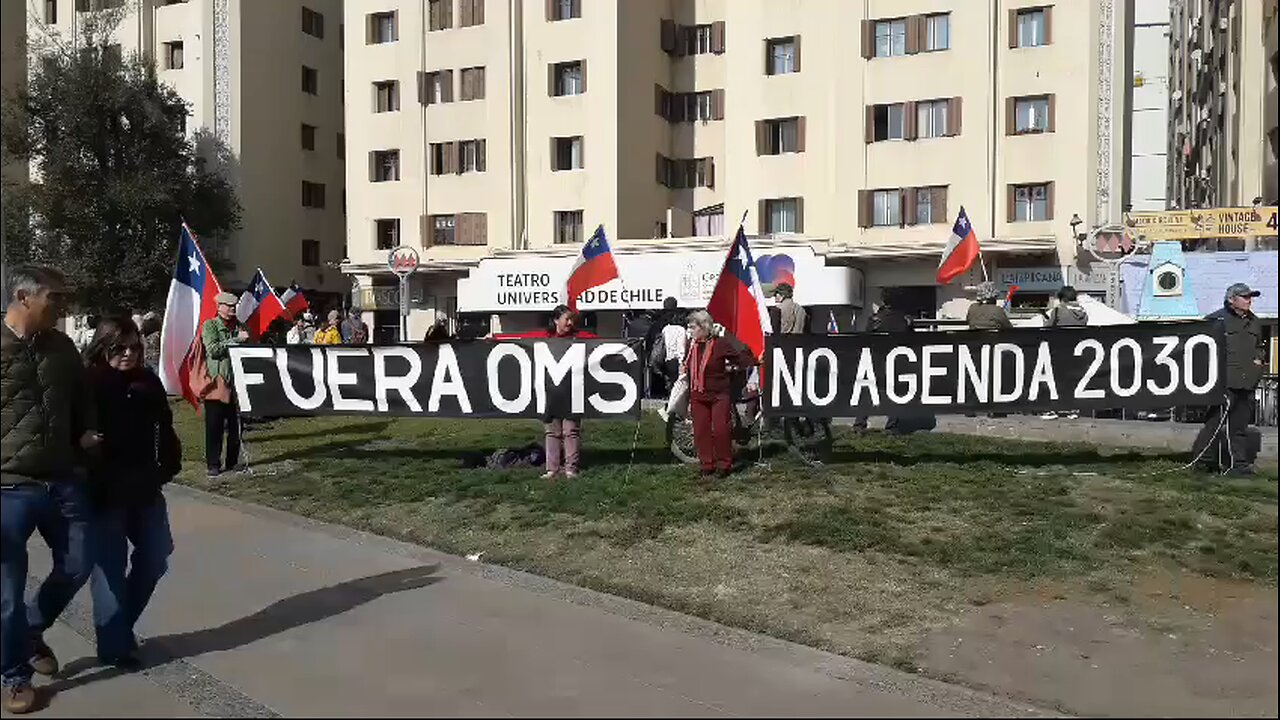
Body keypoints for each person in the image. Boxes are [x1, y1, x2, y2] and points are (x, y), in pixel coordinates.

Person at [1, 265, 100, 714]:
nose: (61, 306)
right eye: (53, 298)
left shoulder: (61, 347)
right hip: (7, 489)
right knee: (7, 591)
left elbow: (83, 399)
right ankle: (14, 676)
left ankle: (29, 632)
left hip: (61, 480)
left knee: (79, 562)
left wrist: (87, 432)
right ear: (24, 298)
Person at [82, 316, 180, 669]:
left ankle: (119, 629)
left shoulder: (148, 382)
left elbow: (165, 429)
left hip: (146, 487)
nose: (128, 354)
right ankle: (114, 645)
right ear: (102, 347)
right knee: (108, 568)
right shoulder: (88, 383)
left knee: (155, 557)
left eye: (134, 348)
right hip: (103, 491)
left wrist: (167, 464)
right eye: (119, 348)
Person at [496, 305, 597, 479]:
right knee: (552, 432)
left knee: (571, 431)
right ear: (556, 320)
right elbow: (519, 338)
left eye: (572, 319)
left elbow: (604, 342)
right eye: (567, 319)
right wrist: (495, 337)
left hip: (572, 392)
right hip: (548, 393)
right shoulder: (544, 337)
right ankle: (552, 468)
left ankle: (570, 468)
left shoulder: (579, 337)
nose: (570, 323)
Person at [1191, 283, 1267, 475]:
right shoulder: (1216, 320)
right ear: (1231, 300)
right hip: (1224, 382)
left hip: (1247, 383)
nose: (1249, 300)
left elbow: (1260, 347)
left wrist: (1259, 362)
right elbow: (1200, 347)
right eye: (1244, 297)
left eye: (1250, 297)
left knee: (1239, 427)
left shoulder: (1255, 322)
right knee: (1214, 424)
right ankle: (1204, 462)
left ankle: (1238, 465)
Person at [684, 310, 757, 481]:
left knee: (721, 430)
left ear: (704, 328)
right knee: (701, 431)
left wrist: (733, 368)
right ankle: (706, 465)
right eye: (690, 328)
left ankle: (724, 465)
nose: (691, 331)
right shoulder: (691, 346)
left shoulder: (720, 344)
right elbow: (689, 367)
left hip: (719, 394)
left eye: (693, 327)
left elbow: (743, 360)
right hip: (698, 394)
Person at [202, 292, 246, 477]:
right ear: (218, 307)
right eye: (228, 306)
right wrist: (236, 340)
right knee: (214, 427)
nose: (231, 310)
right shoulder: (210, 325)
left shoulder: (238, 327)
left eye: (234, 307)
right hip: (216, 382)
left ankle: (232, 461)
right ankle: (213, 463)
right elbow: (213, 350)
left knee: (236, 426)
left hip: (236, 384)